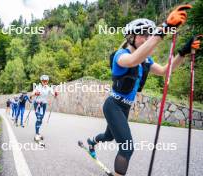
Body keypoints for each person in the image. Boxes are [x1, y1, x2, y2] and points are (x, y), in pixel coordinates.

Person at [86, 5, 201, 176]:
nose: (147, 38)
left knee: (109, 136)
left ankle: (92, 141)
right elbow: (133, 60)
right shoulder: (121, 55)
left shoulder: (146, 60)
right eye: (143, 34)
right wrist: (164, 29)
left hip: (124, 108)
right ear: (131, 36)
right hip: (113, 106)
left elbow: (164, 71)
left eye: (150, 34)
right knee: (127, 148)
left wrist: (182, 53)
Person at [31, 75, 58, 142]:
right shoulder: (37, 87)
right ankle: (37, 134)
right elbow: (31, 96)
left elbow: (53, 94)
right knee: (39, 118)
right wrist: (35, 94)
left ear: (47, 81)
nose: (45, 82)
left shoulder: (49, 88)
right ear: (41, 81)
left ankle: (38, 132)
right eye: (43, 81)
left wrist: (55, 94)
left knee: (41, 119)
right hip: (37, 104)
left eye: (46, 81)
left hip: (43, 105)